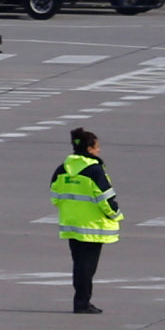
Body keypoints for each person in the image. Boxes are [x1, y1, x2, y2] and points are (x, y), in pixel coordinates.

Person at [52, 126, 121, 313]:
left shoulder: (62, 168)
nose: (99, 150)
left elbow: (55, 196)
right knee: (87, 267)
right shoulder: (95, 170)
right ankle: (82, 303)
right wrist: (116, 215)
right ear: (89, 149)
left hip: (72, 224)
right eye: (97, 147)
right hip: (93, 225)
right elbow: (106, 199)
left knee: (79, 264)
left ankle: (80, 301)